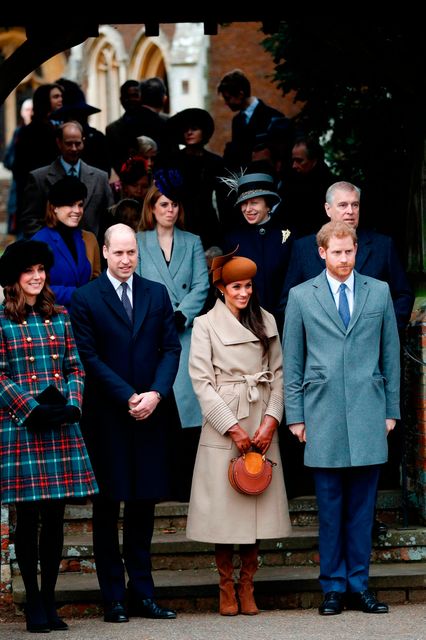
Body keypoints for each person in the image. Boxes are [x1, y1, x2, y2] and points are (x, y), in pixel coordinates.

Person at [283, 220, 400, 616]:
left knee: (362, 509)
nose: (344, 259)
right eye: (336, 252)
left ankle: (359, 586)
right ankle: (333, 587)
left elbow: (390, 355)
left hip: (369, 412)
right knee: (330, 509)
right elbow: (293, 361)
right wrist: (295, 416)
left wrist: (391, 410)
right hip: (321, 414)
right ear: (322, 253)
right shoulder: (301, 296)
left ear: (356, 251)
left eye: (349, 251)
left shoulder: (379, 292)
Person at [69, 223, 181, 623]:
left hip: (150, 413)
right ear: (105, 252)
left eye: (131, 252)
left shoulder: (156, 293)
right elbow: (88, 356)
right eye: (118, 253)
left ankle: (143, 594)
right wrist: (127, 395)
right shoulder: (85, 298)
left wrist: (156, 393)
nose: (126, 259)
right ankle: (113, 597)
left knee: (143, 508)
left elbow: (170, 348)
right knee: (106, 509)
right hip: (107, 417)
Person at [279, 180, 414, 503]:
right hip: (323, 385)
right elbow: (288, 304)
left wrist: (380, 331)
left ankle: (363, 533)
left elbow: (402, 293)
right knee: (329, 482)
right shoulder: (302, 248)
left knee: (366, 475)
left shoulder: (381, 245)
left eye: (354, 205)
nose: (349, 211)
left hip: (366, 379)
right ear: (328, 210)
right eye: (342, 205)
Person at [0, 239, 98, 632]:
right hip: (22, 425)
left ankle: (51, 599)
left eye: (41, 270)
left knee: (56, 517)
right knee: (27, 518)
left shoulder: (60, 317)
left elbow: (75, 366)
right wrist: (30, 408)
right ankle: (33, 602)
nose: (37, 277)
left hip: (59, 423)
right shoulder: (2, 321)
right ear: (14, 279)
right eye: (29, 272)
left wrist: (73, 402)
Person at [186, 249, 291, 616]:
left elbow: (279, 375)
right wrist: (230, 427)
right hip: (225, 423)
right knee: (224, 514)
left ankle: (248, 586)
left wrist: (271, 420)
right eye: (236, 287)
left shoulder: (266, 320)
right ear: (221, 289)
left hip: (260, 418)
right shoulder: (205, 325)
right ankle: (225, 588)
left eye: (247, 286)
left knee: (256, 508)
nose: (243, 293)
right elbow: (200, 381)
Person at [136, 176, 209, 500]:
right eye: (163, 204)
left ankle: (186, 485)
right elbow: (134, 283)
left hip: (186, 333)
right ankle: (159, 483)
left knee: (190, 411)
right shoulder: (138, 242)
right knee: (158, 407)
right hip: (151, 332)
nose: (170, 209)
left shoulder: (192, 240)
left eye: (174, 204)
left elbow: (202, 285)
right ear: (152, 208)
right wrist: (160, 316)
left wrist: (183, 314)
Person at [222, 167, 293, 332]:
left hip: (284, 320)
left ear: (268, 204)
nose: (248, 209)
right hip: (246, 322)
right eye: (244, 204)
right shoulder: (233, 239)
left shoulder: (287, 235)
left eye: (254, 203)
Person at [20, 120, 114, 242]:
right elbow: (30, 220)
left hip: (91, 253)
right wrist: (48, 246)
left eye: (78, 143)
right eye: (69, 144)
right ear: (59, 143)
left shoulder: (100, 178)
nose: (74, 148)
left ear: (83, 142)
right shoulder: (39, 178)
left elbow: (110, 218)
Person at [162, 107, 228, 248]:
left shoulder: (215, 162)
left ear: (204, 132)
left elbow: (223, 199)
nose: (189, 133)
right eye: (185, 129)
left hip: (208, 223)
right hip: (179, 222)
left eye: (194, 128)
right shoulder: (172, 162)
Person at [32, 177, 101, 309]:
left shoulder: (85, 238)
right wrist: (79, 294)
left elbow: (94, 278)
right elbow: (36, 287)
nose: (77, 210)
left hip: (85, 318)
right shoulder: (39, 241)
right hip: (54, 319)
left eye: (80, 205)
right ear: (55, 207)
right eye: (70, 204)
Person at [217, 69, 285, 171]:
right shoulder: (237, 121)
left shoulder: (273, 116)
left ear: (240, 94)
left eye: (228, 98)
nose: (226, 103)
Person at [282, 136, 337, 238]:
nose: (294, 165)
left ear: (314, 160)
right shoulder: (291, 181)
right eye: (293, 160)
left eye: (299, 161)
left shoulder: (330, 186)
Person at [3, 97, 33, 234]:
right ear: (22, 113)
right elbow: (7, 159)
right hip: (19, 186)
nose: (30, 113)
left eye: (32, 110)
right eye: (27, 110)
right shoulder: (18, 133)